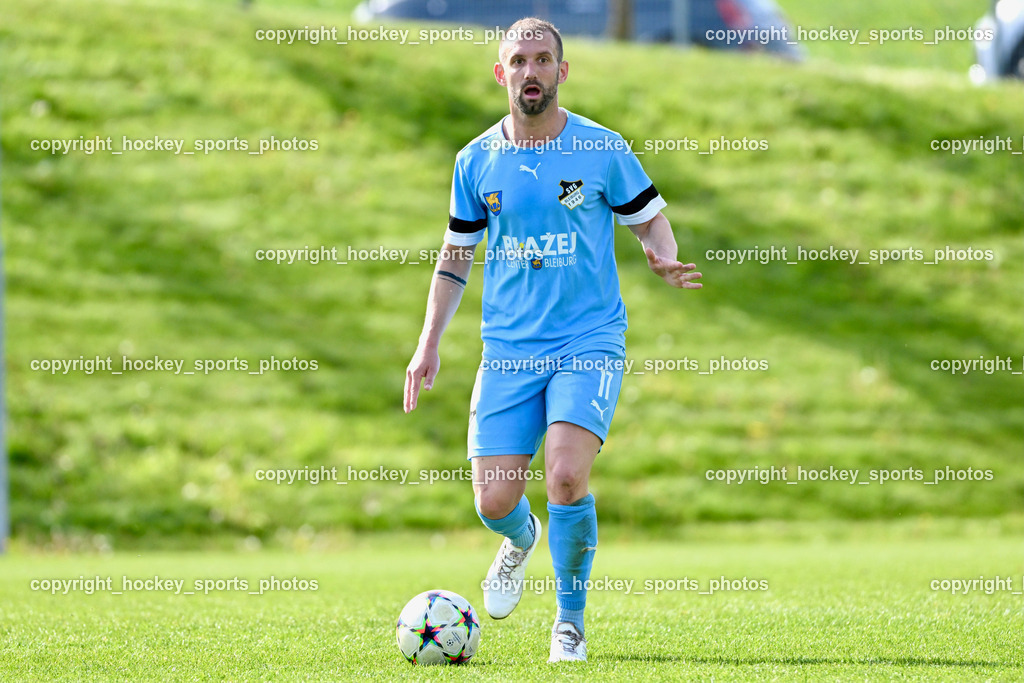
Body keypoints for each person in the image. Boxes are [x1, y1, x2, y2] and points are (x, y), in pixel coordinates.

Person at [403, 16, 702, 663]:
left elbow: (651, 219)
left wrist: (661, 254)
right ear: (501, 74)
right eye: (518, 61)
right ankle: (520, 536)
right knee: (494, 500)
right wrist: (428, 342)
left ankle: (570, 624)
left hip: (588, 338)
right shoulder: (475, 160)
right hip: (509, 350)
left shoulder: (601, 148)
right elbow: (455, 258)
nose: (530, 71)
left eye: (542, 60)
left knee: (566, 476)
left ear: (562, 71)